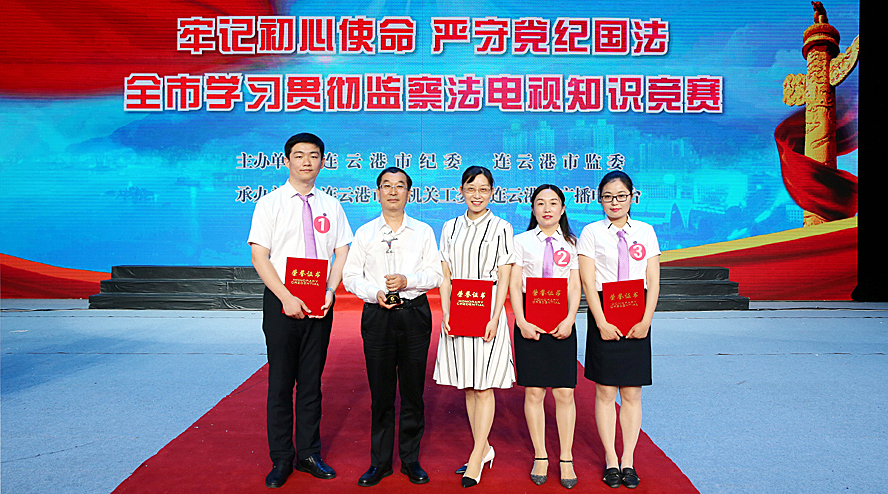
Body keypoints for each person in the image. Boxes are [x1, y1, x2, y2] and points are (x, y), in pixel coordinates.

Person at [247, 133, 353, 489]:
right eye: (299, 155)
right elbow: (259, 255)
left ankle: (308, 453)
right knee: (280, 383)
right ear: (287, 161)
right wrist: (285, 297)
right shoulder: (270, 204)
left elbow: (342, 251)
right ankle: (281, 458)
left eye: (313, 155)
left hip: (319, 304)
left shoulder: (331, 205)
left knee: (311, 382)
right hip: (282, 303)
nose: (307, 161)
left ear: (323, 161)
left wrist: (331, 291)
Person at [342, 167, 444, 487]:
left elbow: (436, 274)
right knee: (381, 391)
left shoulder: (423, 232)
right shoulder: (365, 233)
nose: (393, 191)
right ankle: (380, 462)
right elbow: (350, 276)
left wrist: (406, 281)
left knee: (413, 391)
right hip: (378, 316)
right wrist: (374, 292)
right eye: (386, 186)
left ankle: (411, 460)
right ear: (377, 193)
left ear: (409, 194)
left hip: (414, 314)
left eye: (400, 186)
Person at [433, 166, 516, 488]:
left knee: (484, 385)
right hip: (459, 310)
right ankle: (483, 448)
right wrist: (446, 311)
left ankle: (477, 453)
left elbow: (505, 274)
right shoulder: (450, 227)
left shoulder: (501, 227)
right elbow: (445, 273)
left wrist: (495, 316)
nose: (477, 195)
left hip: (487, 312)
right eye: (471, 189)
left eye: (483, 189)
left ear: (492, 192)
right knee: (468, 383)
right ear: (461, 191)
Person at [577, 171, 660, 490]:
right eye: (608, 196)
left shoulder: (646, 231)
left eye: (621, 196)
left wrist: (646, 320)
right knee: (605, 391)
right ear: (600, 199)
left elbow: (653, 281)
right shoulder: (591, 232)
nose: (615, 202)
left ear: (632, 197)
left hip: (637, 311)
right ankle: (611, 459)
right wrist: (600, 321)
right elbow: (588, 282)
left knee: (632, 392)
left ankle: (628, 460)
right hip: (604, 311)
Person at [508, 184, 581, 489]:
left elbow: (574, 285)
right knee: (534, 392)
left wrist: (570, 319)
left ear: (562, 209)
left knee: (564, 392)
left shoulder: (573, 243)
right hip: (530, 319)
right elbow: (514, 284)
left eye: (553, 203)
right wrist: (521, 321)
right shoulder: (520, 241)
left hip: (562, 319)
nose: (547, 208)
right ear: (533, 209)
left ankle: (566, 457)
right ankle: (540, 454)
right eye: (540, 203)